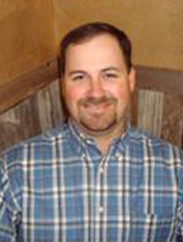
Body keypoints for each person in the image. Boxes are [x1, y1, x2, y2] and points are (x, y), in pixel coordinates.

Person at [0, 22, 183, 242]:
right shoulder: (13, 170)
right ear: (62, 86)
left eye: (109, 75)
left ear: (131, 80)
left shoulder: (176, 170)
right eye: (79, 77)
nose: (95, 92)